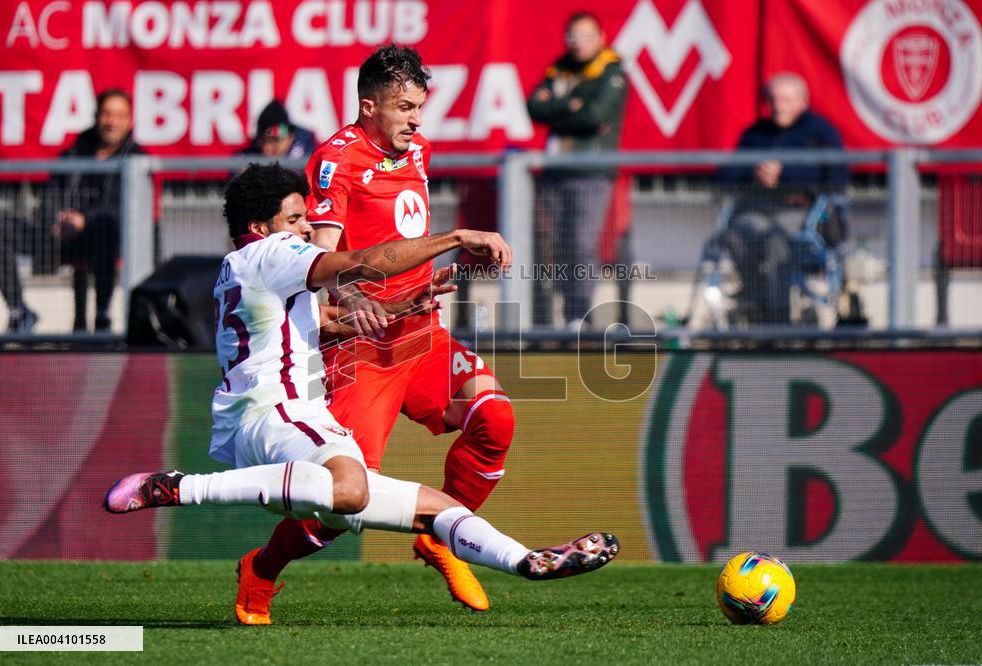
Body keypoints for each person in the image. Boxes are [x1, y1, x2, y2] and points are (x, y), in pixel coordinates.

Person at [103, 163, 619, 621]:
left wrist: (406, 307)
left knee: (433, 509)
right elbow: (363, 263)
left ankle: (525, 562)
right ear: (260, 230)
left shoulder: (245, 268)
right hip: (279, 414)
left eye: (304, 217)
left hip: (276, 417)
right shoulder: (271, 252)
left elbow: (319, 323)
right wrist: (455, 235)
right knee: (349, 488)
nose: (306, 227)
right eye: (293, 219)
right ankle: (178, 486)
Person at [233, 44, 520, 621]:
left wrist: (451, 272)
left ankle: (442, 534)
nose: (417, 120)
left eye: (420, 107)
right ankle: (261, 569)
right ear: (369, 107)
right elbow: (314, 260)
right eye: (405, 108)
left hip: (422, 334)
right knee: (346, 500)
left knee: (496, 418)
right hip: (360, 350)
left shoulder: (418, 151)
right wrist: (353, 295)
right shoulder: (336, 161)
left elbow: (402, 236)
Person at [0, 89, 143, 333]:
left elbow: (124, 209)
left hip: (102, 240)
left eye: (119, 115)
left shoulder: (136, 160)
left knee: (105, 226)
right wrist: (55, 222)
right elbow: (51, 195)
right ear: (97, 116)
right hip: (57, 237)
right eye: (107, 114)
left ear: (129, 120)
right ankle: (19, 311)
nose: (112, 122)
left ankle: (102, 317)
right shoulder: (74, 152)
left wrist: (84, 220)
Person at [716, 72, 848, 325]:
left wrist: (786, 174)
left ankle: (777, 319)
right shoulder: (756, 134)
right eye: (774, 100)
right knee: (737, 232)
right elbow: (727, 173)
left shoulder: (820, 132)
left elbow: (836, 175)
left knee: (776, 240)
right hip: (759, 209)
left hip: (803, 213)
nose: (779, 107)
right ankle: (757, 300)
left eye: (786, 100)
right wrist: (754, 172)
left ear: (803, 101)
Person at [527, 11, 628, 329]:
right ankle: (559, 317)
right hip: (556, 171)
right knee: (557, 246)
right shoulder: (559, 70)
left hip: (590, 173)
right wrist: (570, 106)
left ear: (601, 38)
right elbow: (534, 106)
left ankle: (579, 315)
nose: (578, 44)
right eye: (573, 37)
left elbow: (593, 115)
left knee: (582, 244)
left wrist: (560, 108)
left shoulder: (611, 73)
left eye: (586, 36)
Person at [239, 100, 316, 160]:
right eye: (262, 141)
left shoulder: (308, 161)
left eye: (275, 140)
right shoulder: (248, 158)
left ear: (290, 138)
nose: (267, 149)